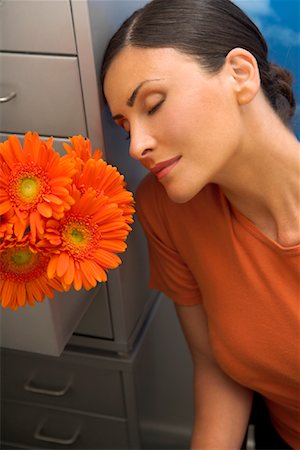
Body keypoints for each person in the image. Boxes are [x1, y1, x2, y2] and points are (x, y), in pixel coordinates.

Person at [101, 0, 300, 448]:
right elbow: (216, 369)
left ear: (240, 75)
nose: (136, 146)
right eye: (123, 125)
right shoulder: (165, 209)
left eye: (152, 104)